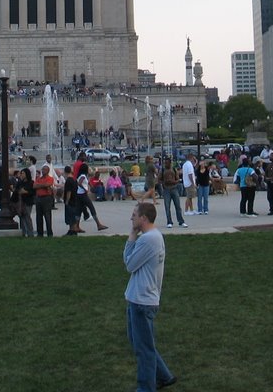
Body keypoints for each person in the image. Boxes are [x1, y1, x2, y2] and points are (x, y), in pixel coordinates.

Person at [123, 202, 177, 392]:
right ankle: (164, 375)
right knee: (140, 342)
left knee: (143, 349)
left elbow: (129, 264)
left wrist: (131, 237)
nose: (132, 218)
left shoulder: (149, 240)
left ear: (143, 218)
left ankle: (146, 388)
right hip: (137, 298)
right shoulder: (150, 237)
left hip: (142, 301)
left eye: (134, 215)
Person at [158, 158, 186, 228]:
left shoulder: (174, 169)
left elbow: (177, 179)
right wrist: (164, 183)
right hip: (166, 190)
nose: (165, 164)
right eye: (165, 163)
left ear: (170, 163)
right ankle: (169, 222)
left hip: (174, 189)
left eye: (167, 163)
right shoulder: (162, 170)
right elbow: (159, 179)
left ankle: (181, 221)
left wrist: (173, 182)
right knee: (167, 207)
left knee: (178, 207)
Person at [33, 164, 55, 237]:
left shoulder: (50, 178)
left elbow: (48, 184)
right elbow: (34, 186)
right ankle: (40, 233)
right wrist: (43, 185)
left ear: (48, 171)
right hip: (38, 198)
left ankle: (49, 232)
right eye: (42, 169)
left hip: (46, 198)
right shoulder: (38, 178)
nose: (43, 171)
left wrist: (40, 185)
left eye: (45, 170)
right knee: (38, 217)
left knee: (47, 216)